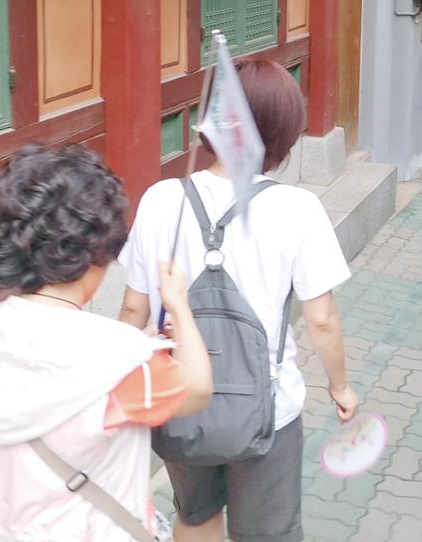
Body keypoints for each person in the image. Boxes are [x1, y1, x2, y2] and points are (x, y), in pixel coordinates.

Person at [119, 59, 358, 542]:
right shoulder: (298, 209)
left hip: (180, 398)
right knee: (267, 532)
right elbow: (322, 320)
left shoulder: (160, 199)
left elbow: (132, 311)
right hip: (268, 407)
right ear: (282, 132)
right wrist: (340, 387)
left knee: (195, 515)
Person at [0, 145, 214, 542]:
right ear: (96, 255)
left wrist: (131, 345)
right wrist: (178, 305)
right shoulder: (122, 360)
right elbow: (198, 389)